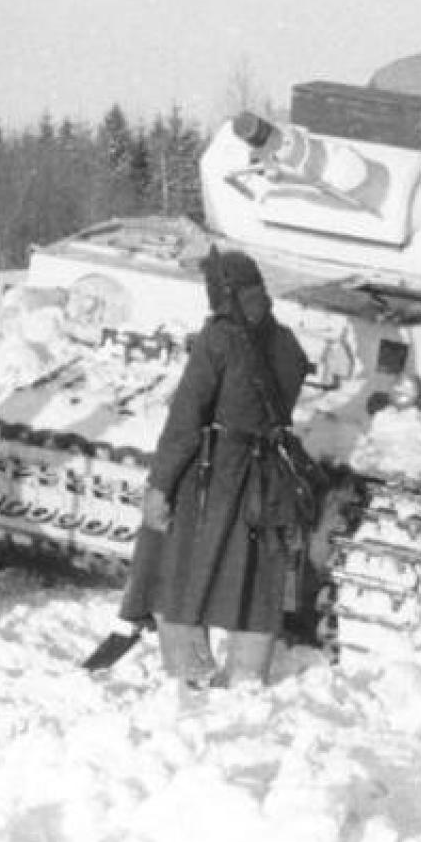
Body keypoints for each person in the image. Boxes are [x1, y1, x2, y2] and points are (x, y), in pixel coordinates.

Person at [117, 250, 313, 696]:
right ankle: (247, 674)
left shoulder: (218, 339)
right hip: (269, 477)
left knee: (176, 566)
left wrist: (161, 484)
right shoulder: (285, 342)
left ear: (220, 292)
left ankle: (189, 670)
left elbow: (186, 419)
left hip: (215, 474)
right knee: (255, 577)